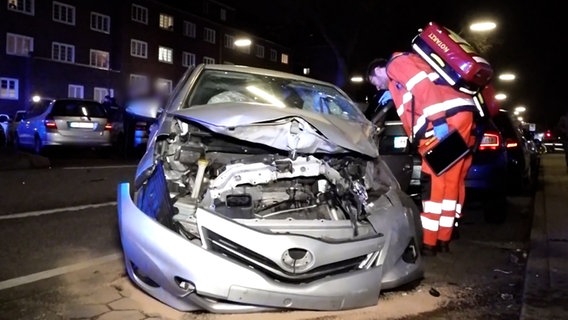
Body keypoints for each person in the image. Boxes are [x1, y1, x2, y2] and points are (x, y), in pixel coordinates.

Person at [367, 54, 479, 255]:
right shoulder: (402, 75)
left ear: (378, 71)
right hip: (462, 115)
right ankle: (444, 238)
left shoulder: (396, 64)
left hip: (445, 120)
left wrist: (437, 121)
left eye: (373, 82)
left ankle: (429, 242)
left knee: (433, 180)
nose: (376, 87)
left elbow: (423, 86)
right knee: (450, 180)